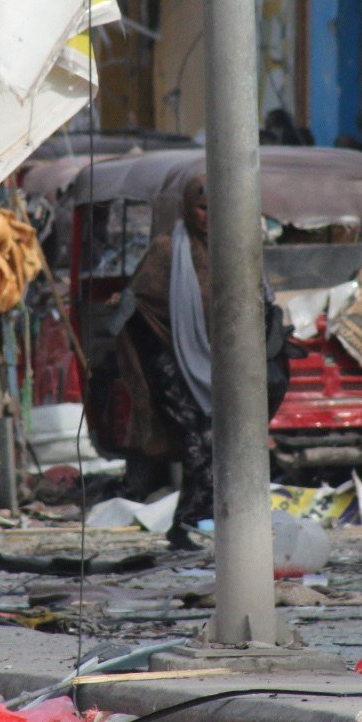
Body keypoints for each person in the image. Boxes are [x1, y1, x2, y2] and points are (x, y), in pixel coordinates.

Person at [127, 178, 217, 552]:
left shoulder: (227, 248)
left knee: (216, 446)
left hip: (215, 366)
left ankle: (192, 523)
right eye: (201, 207)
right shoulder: (167, 250)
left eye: (215, 207)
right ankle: (185, 525)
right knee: (198, 446)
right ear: (186, 208)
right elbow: (141, 305)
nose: (209, 217)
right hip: (172, 365)